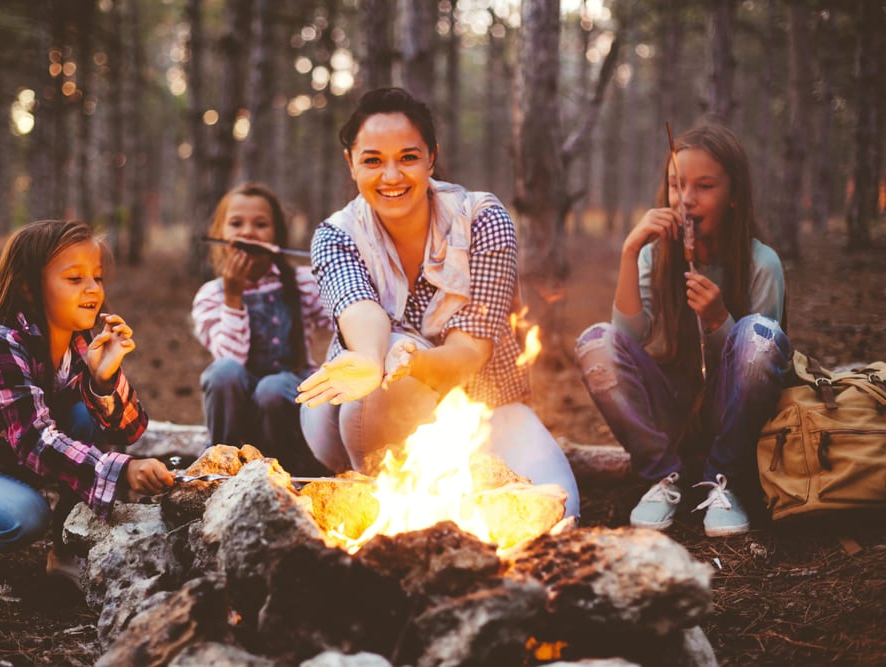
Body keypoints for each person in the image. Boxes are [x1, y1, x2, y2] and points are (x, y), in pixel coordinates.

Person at [296, 87, 580, 519]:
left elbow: (469, 353)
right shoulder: (335, 235)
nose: (391, 176)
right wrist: (374, 359)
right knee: (382, 367)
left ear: (431, 158)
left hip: (480, 401)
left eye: (407, 157)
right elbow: (360, 309)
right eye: (373, 160)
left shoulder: (482, 219)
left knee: (561, 510)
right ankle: (376, 502)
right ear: (350, 163)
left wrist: (409, 362)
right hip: (354, 416)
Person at [0, 220, 173, 588]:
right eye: (75, 279)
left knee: (87, 414)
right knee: (26, 515)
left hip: (6, 460)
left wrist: (104, 380)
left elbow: (130, 429)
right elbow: (34, 441)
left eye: (97, 277)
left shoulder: (78, 344)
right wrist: (122, 471)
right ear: (28, 287)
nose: (92, 288)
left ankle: (65, 549)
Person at [574, 123, 792, 537]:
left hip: (735, 425)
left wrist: (717, 321)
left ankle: (723, 479)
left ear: (733, 195)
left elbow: (761, 371)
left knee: (758, 334)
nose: (686, 200)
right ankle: (664, 476)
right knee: (594, 342)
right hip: (671, 413)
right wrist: (629, 251)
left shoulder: (761, 265)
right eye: (676, 185)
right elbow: (624, 342)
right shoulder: (654, 257)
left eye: (705, 186)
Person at [193, 182, 332, 475]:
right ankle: (221, 465)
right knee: (223, 373)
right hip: (238, 409)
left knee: (271, 388)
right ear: (220, 235)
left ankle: (290, 471)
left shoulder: (304, 282)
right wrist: (233, 296)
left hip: (288, 401)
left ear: (277, 236)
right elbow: (230, 359)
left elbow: (343, 319)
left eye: (261, 224)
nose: (248, 232)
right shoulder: (211, 295)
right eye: (236, 223)